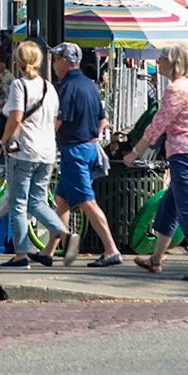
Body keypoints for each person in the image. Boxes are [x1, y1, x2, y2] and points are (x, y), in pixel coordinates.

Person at [124, 44, 188, 281]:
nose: (158, 62)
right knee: (169, 204)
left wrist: (134, 153)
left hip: (184, 156)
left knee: (187, 210)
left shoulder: (175, 90)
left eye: (161, 59)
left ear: (173, 62)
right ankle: (156, 260)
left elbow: (157, 126)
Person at [0, 41, 67, 269]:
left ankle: (20, 255)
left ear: (17, 61)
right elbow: (55, 119)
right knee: (36, 200)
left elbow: (15, 117)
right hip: (47, 152)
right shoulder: (50, 87)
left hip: (24, 151)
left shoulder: (19, 86)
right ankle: (60, 229)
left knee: (18, 203)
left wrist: (5, 141)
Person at [49, 42, 119, 267]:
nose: (53, 65)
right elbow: (102, 119)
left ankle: (111, 249)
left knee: (87, 202)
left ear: (64, 61)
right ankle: (48, 252)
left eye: (55, 60)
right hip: (89, 147)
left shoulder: (67, 87)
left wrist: (46, 140)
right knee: (62, 201)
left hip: (74, 151)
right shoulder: (89, 85)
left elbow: (58, 121)